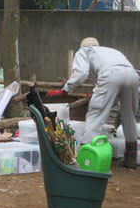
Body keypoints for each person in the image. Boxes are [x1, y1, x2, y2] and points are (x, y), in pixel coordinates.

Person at [47, 37, 139, 168]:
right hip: (133, 76)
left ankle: (86, 156)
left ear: (83, 46)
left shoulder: (84, 51)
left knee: (96, 114)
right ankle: (131, 157)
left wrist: (66, 90)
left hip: (111, 74)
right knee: (129, 116)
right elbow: (115, 84)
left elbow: (81, 73)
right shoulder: (111, 52)